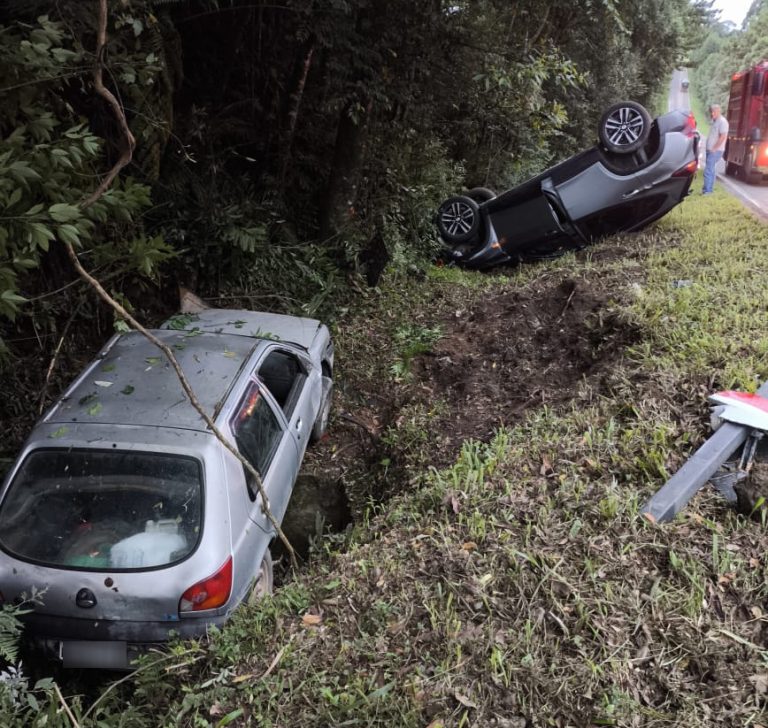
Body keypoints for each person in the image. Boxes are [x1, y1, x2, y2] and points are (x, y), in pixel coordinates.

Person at [702, 104, 729, 194]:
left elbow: (723, 136)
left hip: (716, 150)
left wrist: (714, 148)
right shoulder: (715, 121)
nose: (712, 114)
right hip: (711, 150)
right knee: (711, 170)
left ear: (718, 111)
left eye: (714, 112)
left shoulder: (722, 122)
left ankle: (707, 191)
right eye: (711, 112)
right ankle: (709, 190)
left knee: (708, 170)